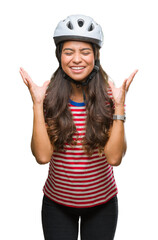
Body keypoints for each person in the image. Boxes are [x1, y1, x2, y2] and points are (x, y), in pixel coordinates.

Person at [19, 14, 138, 240]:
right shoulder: (49, 98)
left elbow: (114, 159)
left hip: (102, 205)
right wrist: (36, 104)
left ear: (96, 56)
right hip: (57, 205)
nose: (76, 59)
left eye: (85, 52)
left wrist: (120, 107)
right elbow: (43, 156)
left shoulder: (111, 98)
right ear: (59, 56)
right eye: (68, 52)